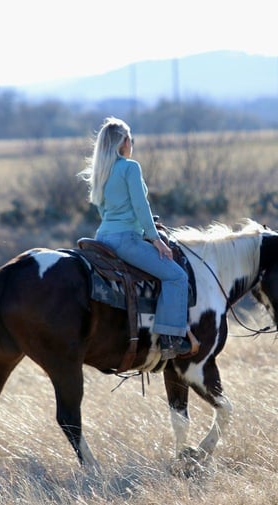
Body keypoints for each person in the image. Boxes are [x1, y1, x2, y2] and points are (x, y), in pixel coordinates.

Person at [80, 117, 191, 360]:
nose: (132, 143)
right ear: (123, 142)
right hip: (126, 240)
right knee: (176, 276)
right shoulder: (130, 167)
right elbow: (141, 206)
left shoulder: (101, 171)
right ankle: (170, 339)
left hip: (102, 238)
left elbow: (102, 209)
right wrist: (155, 239)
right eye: (130, 139)